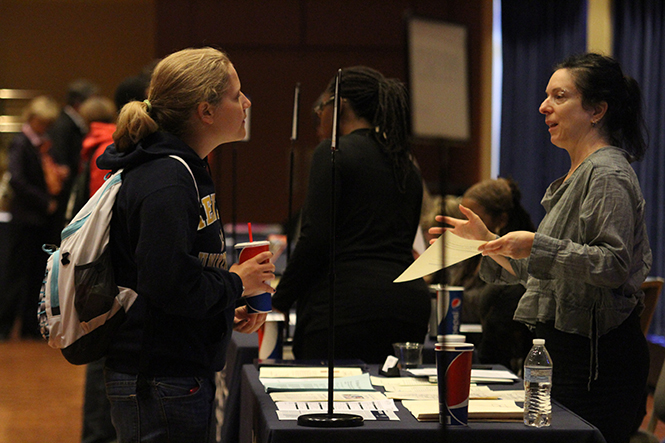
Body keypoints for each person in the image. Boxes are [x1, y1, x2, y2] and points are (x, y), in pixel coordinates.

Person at [431, 53, 651, 443]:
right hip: (567, 357)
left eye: (559, 96)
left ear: (597, 110)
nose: (543, 106)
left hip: (598, 368)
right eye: (546, 95)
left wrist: (536, 245)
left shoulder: (607, 173)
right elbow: (552, 276)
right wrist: (489, 244)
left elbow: (612, 264)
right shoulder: (578, 174)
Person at [96, 47, 273, 443]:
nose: (246, 103)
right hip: (159, 378)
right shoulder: (166, 179)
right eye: (235, 95)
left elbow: (183, 272)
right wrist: (236, 284)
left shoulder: (185, 167)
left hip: (173, 374)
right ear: (205, 111)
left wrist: (227, 303)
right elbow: (165, 284)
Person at [272, 66, 431, 364]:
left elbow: (316, 237)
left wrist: (278, 301)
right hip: (409, 307)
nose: (319, 115)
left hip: (345, 308)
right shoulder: (406, 163)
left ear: (339, 105)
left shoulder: (332, 151)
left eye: (321, 107)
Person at [447, 178, 535, 374]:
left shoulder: (517, 257)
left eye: (476, 218)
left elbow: (478, 303)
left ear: (501, 220)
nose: (469, 225)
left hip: (497, 357)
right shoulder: (471, 249)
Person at [0, 96, 67, 340]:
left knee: (33, 274)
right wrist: (43, 200)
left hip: (37, 219)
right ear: (32, 118)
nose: (45, 128)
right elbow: (17, 179)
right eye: (42, 123)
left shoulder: (42, 143)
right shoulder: (22, 143)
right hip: (26, 218)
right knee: (17, 274)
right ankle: (5, 327)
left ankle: (28, 326)